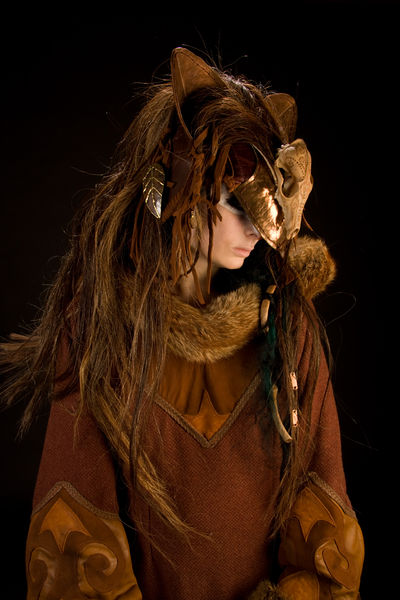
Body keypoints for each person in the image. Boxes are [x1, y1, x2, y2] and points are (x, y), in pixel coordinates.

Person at [1, 47, 364, 599]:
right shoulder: (105, 332)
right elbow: (76, 538)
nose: (257, 229)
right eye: (236, 204)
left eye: (266, 208)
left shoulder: (288, 331)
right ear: (178, 191)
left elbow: (323, 532)